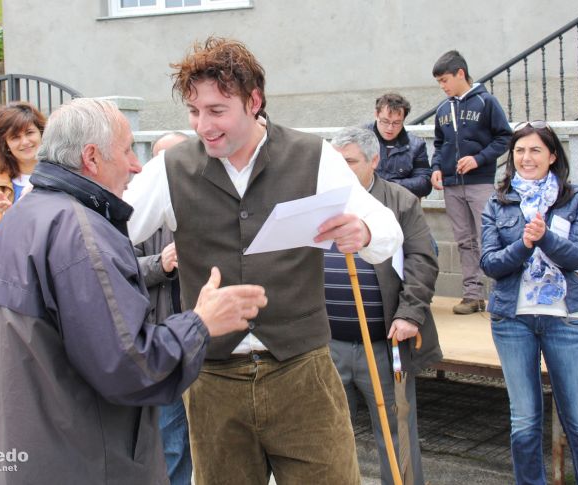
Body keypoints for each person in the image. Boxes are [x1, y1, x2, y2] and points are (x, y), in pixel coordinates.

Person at [125, 37, 403, 484]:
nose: (203, 126)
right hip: (212, 380)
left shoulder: (313, 156)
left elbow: (387, 227)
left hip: (303, 373)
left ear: (254, 101)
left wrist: (364, 231)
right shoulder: (169, 168)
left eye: (217, 111)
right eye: (195, 112)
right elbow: (112, 235)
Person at [0, 98, 267, 484]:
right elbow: (132, 366)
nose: (135, 164)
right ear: (92, 157)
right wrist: (201, 323)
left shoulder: (22, 216)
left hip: (36, 450)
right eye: (128, 149)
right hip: (87, 459)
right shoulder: (79, 233)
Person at [327, 127, 442, 485]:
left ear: (374, 161)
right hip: (328, 343)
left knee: (396, 435)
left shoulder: (399, 200)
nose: (341, 169)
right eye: (336, 162)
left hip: (384, 341)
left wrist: (410, 313)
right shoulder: (321, 200)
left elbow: (422, 261)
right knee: (328, 437)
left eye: (350, 162)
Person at [481, 121, 578, 485]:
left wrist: (544, 239)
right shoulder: (497, 202)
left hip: (567, 318)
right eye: (520, 151)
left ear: (553, 156)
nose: (526, 158)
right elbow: (491, 263)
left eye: (536, 150)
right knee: (524, 420)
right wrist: (525, 244)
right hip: (513, 320)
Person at [430, 50, 512, 314]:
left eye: (444, 80)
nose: (442, 86)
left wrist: (478, 159)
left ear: (460, 74)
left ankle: (500, 296)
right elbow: (439, 144)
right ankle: (472, 295)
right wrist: (436, 169)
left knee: (489, 237)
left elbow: (504, 137)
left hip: (480, 182)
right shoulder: (443, 109)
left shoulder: (487, 102)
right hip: (452, 185)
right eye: (439, 82)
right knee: (464, 240)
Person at [134, 131, 192, 485]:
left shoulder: (210, 204)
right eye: (160, 159)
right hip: (163, 344)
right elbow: (123, 269)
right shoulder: (141, 212)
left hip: (206, 344)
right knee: (170, 440)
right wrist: (162, 262)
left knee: (212, 438)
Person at [0, 101, 46, 259]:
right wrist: (8, 218)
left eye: (29, 132)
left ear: (41, 133)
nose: (25, 142)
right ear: (5, 144)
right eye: (15, 137)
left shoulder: (59, 176)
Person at [369, 93, 432, 198]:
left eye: (397, 123)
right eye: (385, 121)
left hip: (401, 204)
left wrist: (389, 185)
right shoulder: (360, 138)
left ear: (404, 120)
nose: (390, 128)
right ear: (376, 114)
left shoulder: (416, 145)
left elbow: (424, 183)